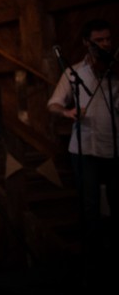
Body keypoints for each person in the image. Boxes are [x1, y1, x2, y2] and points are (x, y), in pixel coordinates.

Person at [47, 19, 118, 251]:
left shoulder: (115, 69)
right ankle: (93, 260)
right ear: (87, 43)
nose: (106, 44)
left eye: (108, 39)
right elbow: (53, 104)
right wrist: (68, 112)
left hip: (115, 147)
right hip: (85, 148)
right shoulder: (74, 72)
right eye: (99, 41)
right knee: (90, 208)